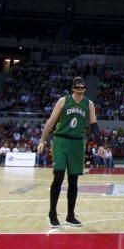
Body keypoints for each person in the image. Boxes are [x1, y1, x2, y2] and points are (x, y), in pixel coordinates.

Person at [37, 77, 101, 228]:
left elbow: (94, 125)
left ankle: (70, 216)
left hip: (78, 143)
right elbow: (51, 122)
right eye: (77, 89)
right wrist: (42, 140)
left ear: (84, 89)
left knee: (73, 181)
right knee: (58, 176)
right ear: (73, 88)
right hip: (60, 140)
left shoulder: (89, 104)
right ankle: (52, 213)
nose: (79, 91)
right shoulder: (63, 101)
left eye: (82, 89)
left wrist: (100, 144)